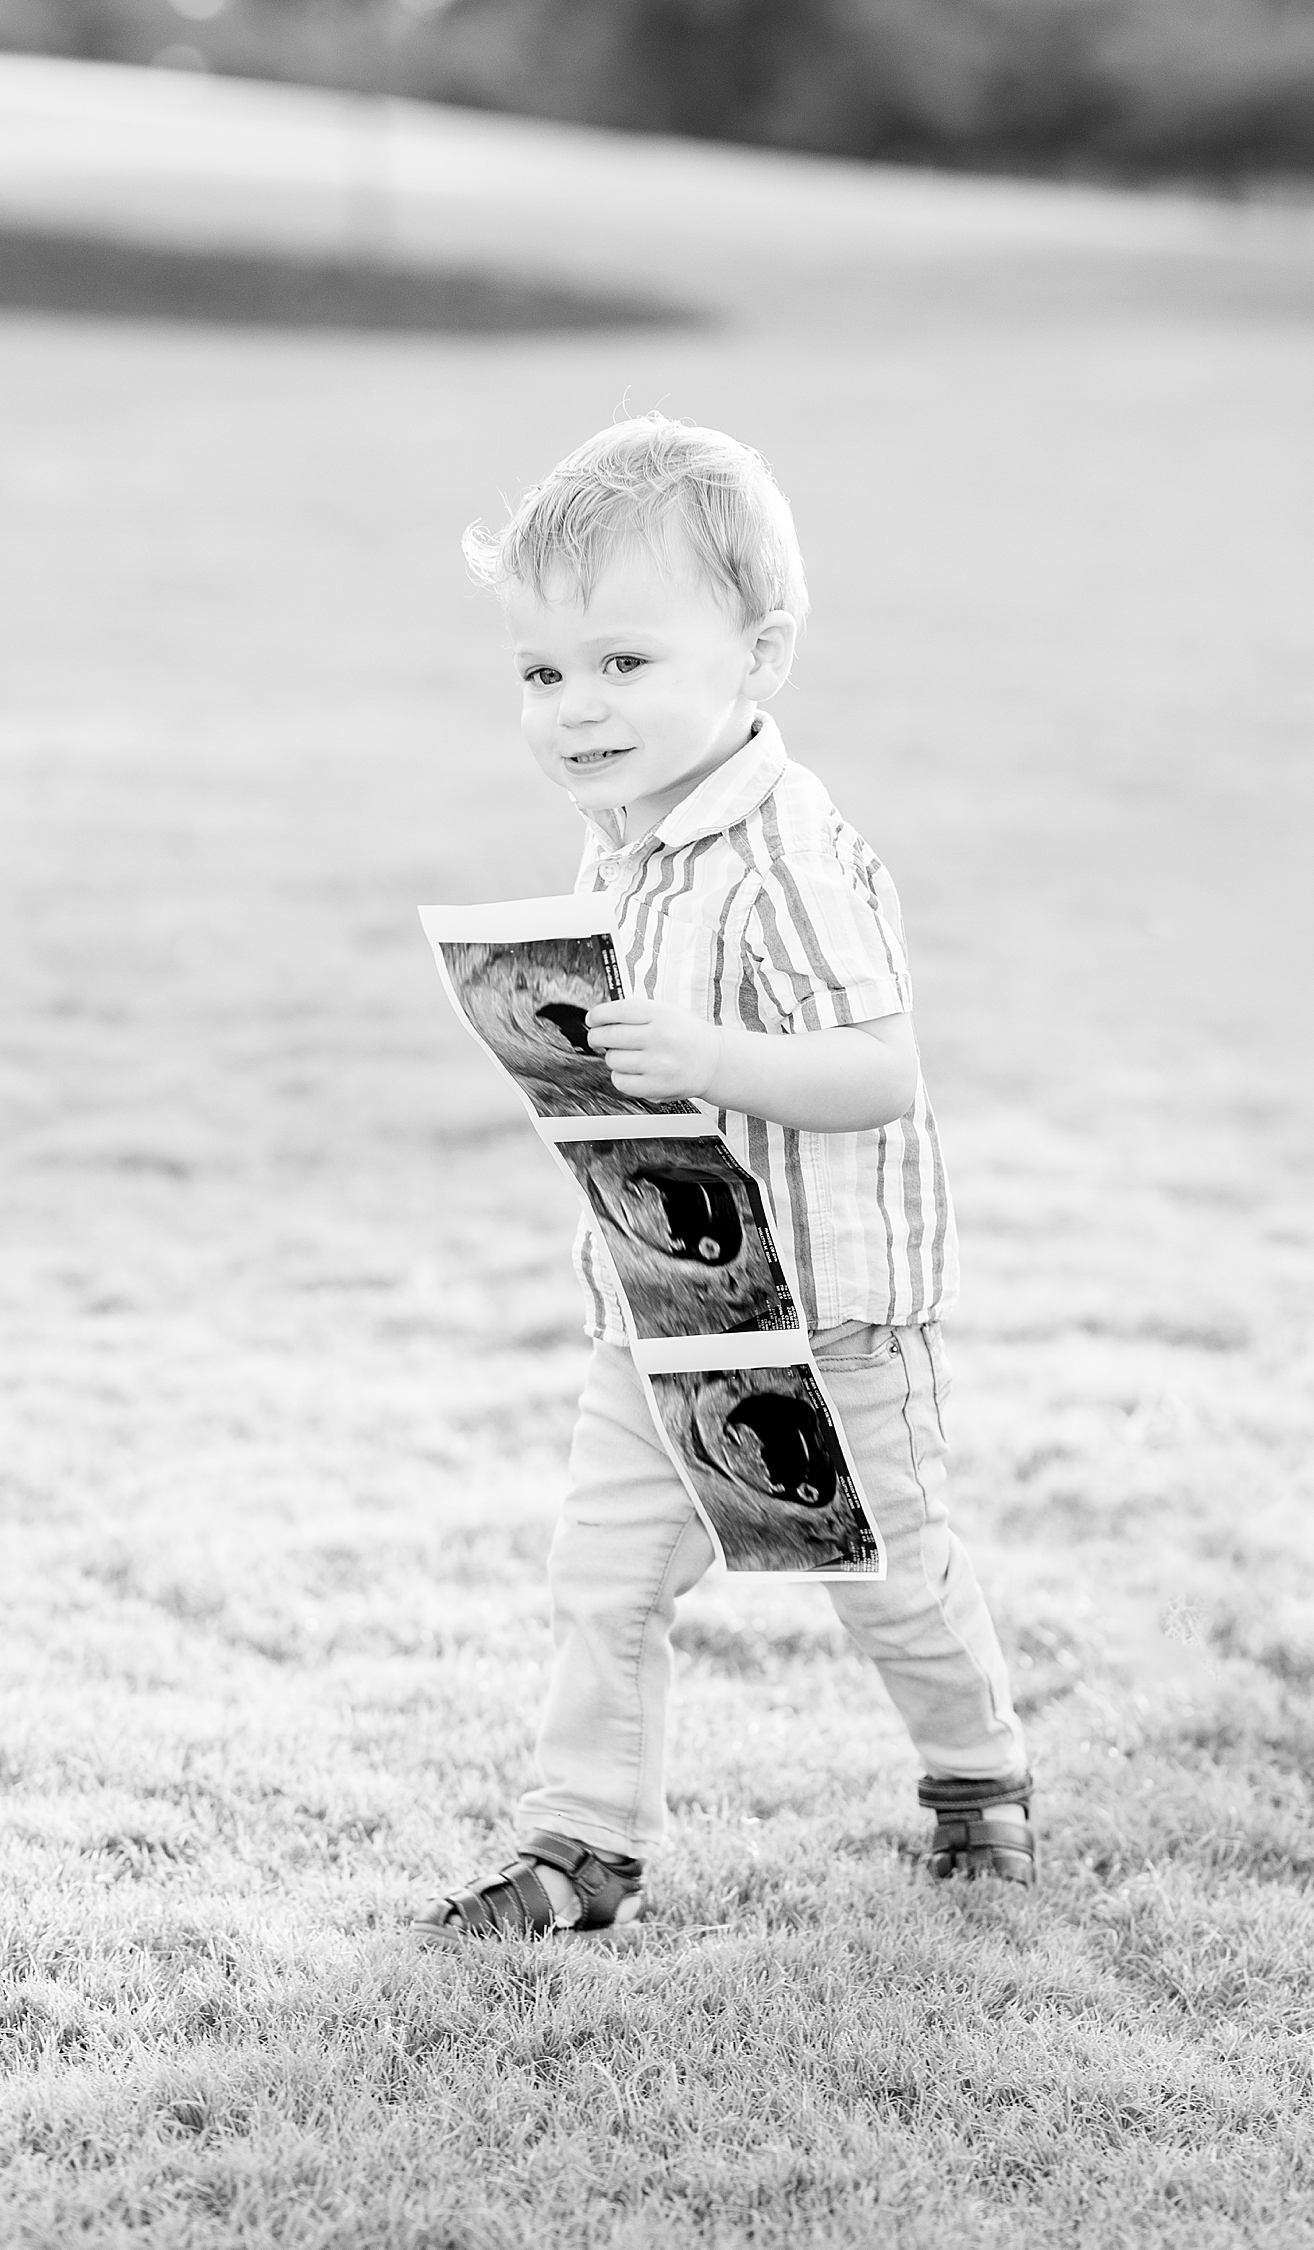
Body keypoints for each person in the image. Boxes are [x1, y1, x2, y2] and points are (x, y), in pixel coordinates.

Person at [415, 415, 1032, 1945]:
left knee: (880, 1570)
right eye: (543, 674)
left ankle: (977, 1779)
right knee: (601, 1575)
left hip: (828, 1316)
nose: (575, 708)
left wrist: (705, 1052)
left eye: (624, 663)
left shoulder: (786, 857)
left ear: (756, 654)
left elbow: (878, 1070)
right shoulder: (618, 846)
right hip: (673, 1306)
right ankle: (580, 1847)